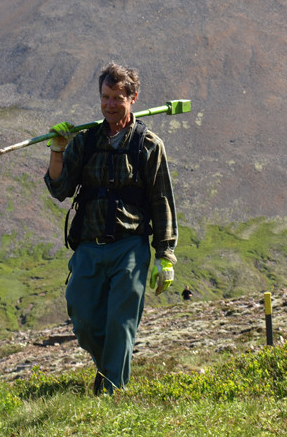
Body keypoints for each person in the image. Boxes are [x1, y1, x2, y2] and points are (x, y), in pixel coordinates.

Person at [44, 62, 178, 395]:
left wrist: (165, 255)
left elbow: (162, 201)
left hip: (129, 247)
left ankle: (111, 394)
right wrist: (58, 149)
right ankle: (109, 369)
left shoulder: (149, 144)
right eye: (105, 97)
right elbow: (59, 189)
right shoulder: (85, 142)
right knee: (85, 320)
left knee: (121, 323)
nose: (109, 105)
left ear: (133, 98)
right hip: (89, 247)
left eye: (117, 98)